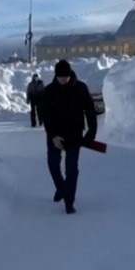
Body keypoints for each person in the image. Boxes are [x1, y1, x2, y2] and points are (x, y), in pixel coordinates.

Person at [42, 59, 97, 214]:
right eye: (60, 77)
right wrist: (53, 136)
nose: (63, 80)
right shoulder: (49, 91)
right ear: (55, 76)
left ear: (70, 74)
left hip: (74, 134)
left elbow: (90, 111)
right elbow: (46, 116)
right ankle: (61, 188)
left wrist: (91, 132)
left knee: (71, 169)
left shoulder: (80, 88)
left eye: (66, 76)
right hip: (55, 135)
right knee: (53, 165)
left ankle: (69, 202)